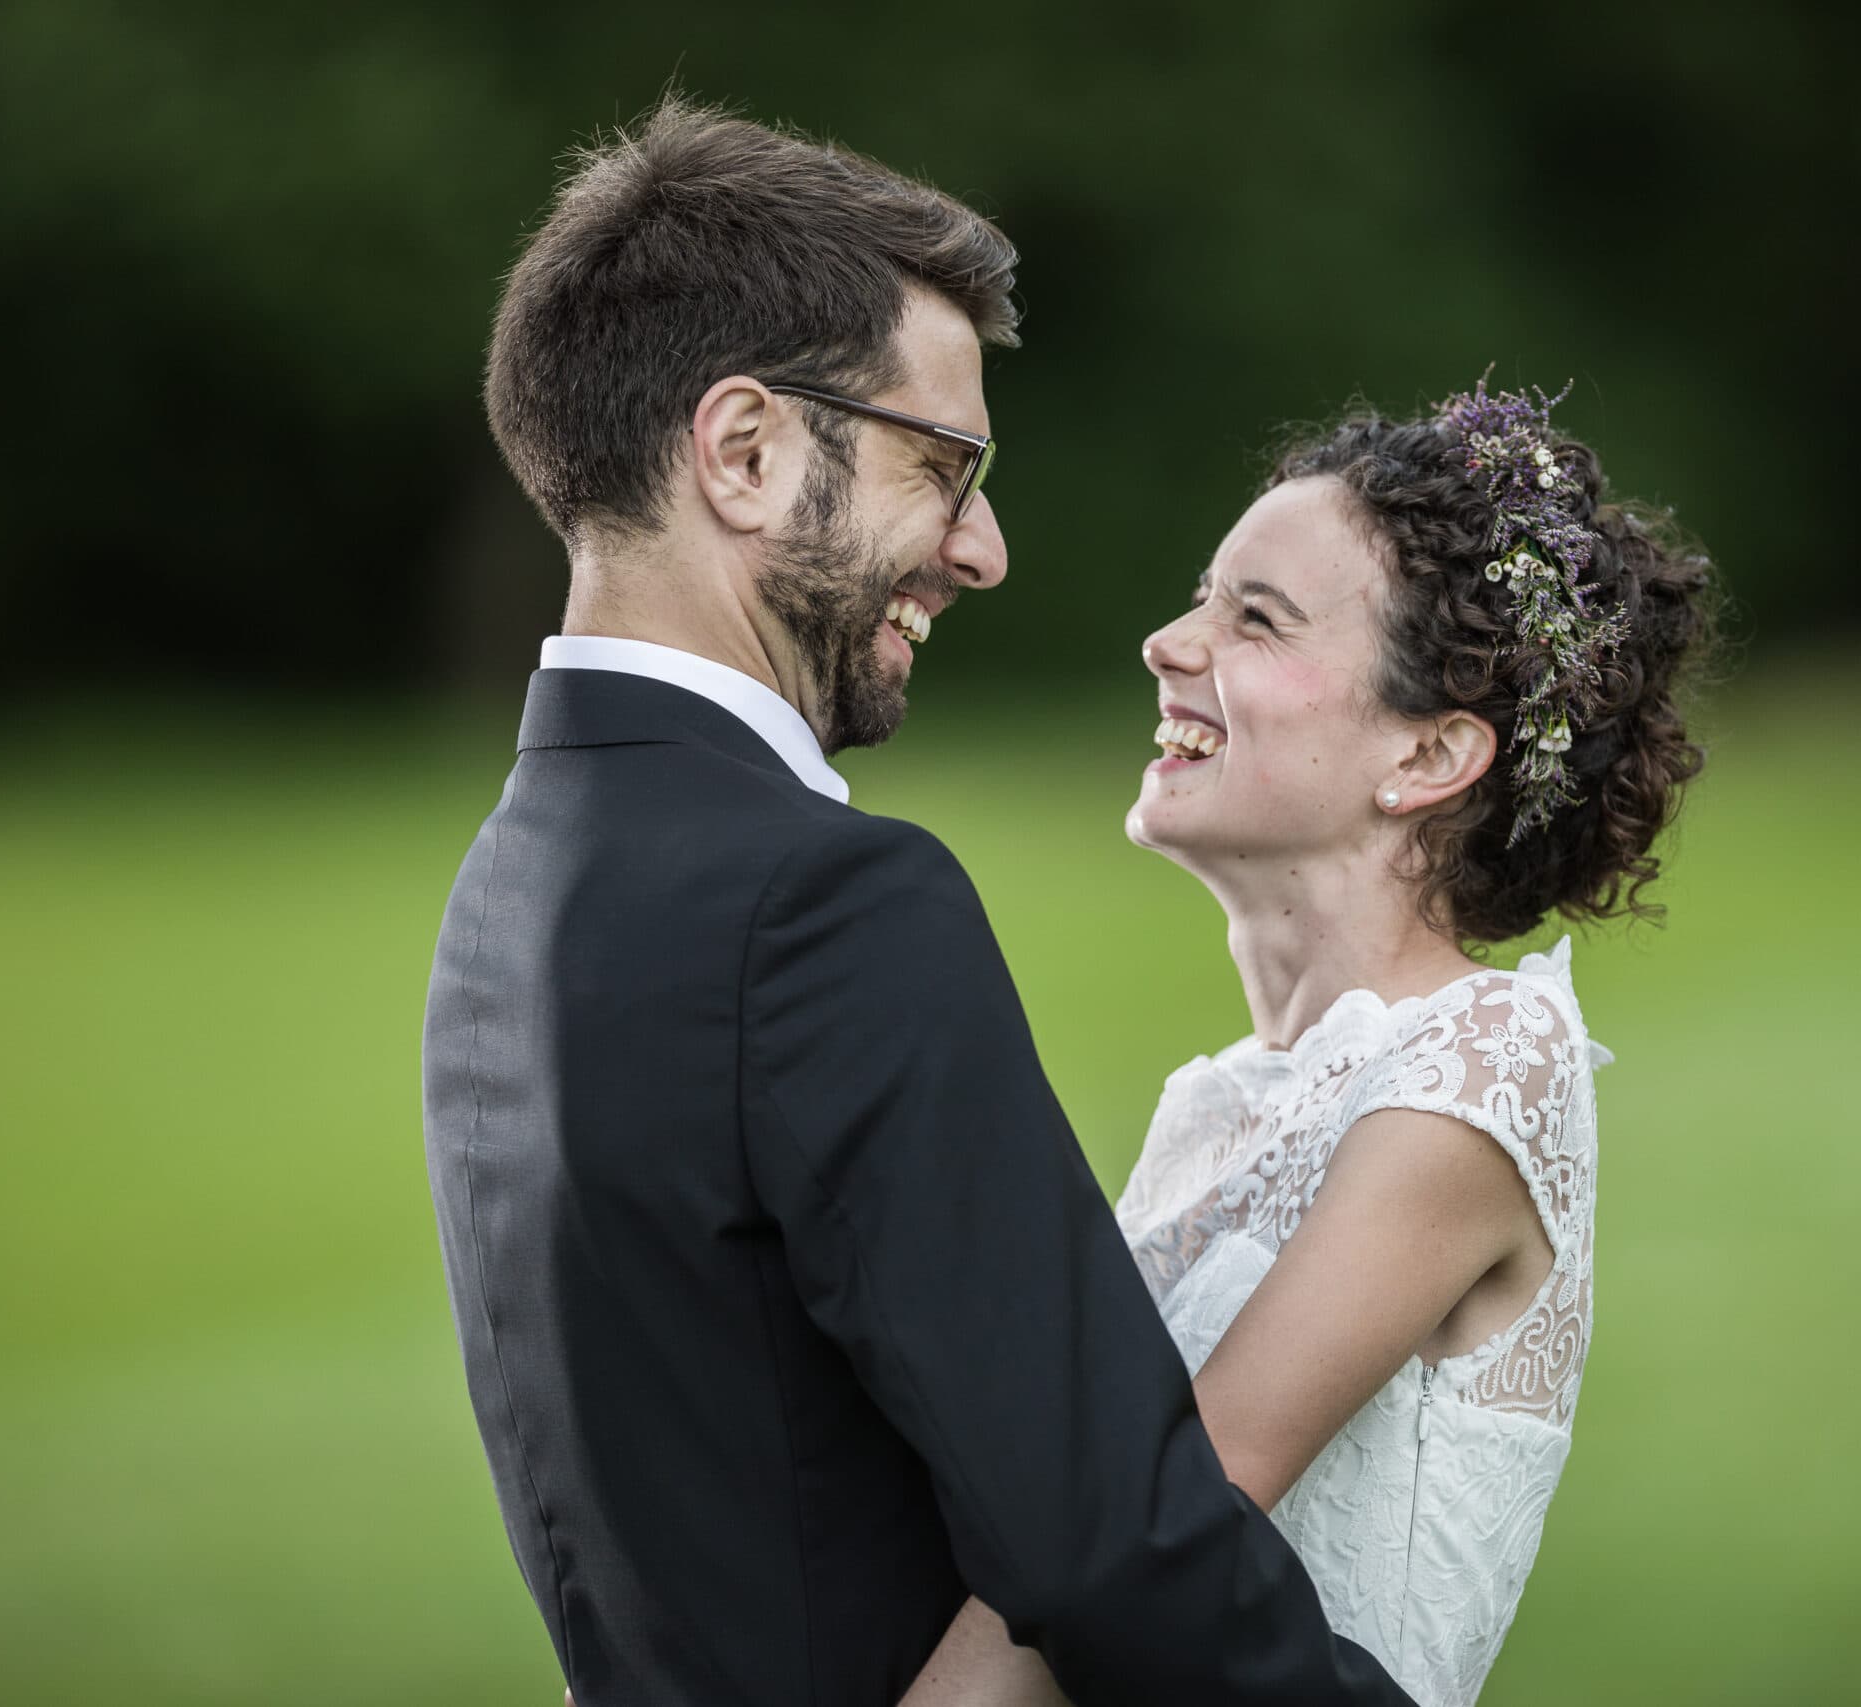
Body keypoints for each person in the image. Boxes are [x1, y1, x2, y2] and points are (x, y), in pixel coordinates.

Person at [420, 96, 1411, 1707]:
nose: (985, 548)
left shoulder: (513, 881)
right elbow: (1104, 1541)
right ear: (744, 451)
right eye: (941, 467)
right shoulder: (822, 904)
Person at [899, 383, 1714, 1707]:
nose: (1169, 643)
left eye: (1253, 619)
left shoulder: (1482, 1063)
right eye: (1201, 598)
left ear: (1431, 751)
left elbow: (1153, 1533)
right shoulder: (1213, 1103)